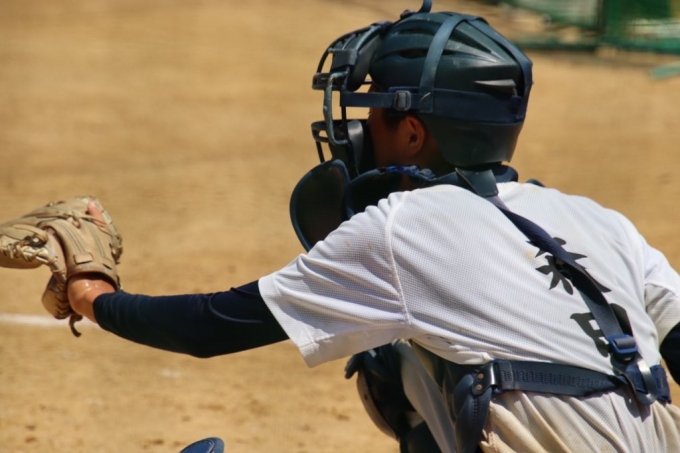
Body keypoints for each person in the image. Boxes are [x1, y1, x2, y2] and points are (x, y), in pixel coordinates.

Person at [63, 1, 680, 452]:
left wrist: (92, 295)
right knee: (419, 344)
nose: (356, 127)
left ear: (412, 133)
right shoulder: (602, 221)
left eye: (374, 107)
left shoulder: (403, 227)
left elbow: (210, 327)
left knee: (386, 352)